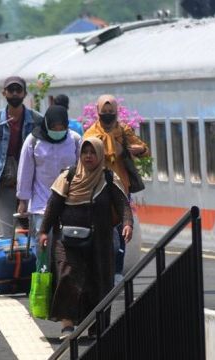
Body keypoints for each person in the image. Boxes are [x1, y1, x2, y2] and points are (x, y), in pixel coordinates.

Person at [38, 137, 133, 339]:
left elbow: (123, 204)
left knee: (97, 282)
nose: (88, 156)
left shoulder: (108, 179)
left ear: (100, 155)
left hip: (99, 242)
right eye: (84, 152)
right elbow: (53, 205)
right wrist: (44, 231)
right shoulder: (68, 176)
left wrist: (127, 224)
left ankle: (95, 327)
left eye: (92, 153)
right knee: (67, 277)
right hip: (67, 240)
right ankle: (67, 326)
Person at [83, 94, 149, 282]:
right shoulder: (91, 134)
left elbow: (144, 149)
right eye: (104, 112)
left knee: (121, 229)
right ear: (98, 112)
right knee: (100, 231)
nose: (108, 115)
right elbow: (85, 157)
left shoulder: (124, 131)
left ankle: (117, 270)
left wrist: (138, 150)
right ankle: (99, 271)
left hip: (121, 188)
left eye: (111, 112)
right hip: (98, 189)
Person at [0, 76, 40, 239]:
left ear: (25, 93)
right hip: (3, 181)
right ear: (3, 93)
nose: (14, 94)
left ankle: (32, 264)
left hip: (31, 183)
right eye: (10, 90)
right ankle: (6, 263)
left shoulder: (37, 119)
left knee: (36, 231)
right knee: (6, 233)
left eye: (18, 90)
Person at [17, 105, 81, 234]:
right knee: (43, 241)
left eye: (61, 128)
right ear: (46, 125)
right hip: (41, 202)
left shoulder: (75, 139)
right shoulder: (33, 140)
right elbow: (25, 172)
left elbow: (82, 169)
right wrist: (23, 201)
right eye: (53, 128)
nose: (58, 131)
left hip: (70, 201)